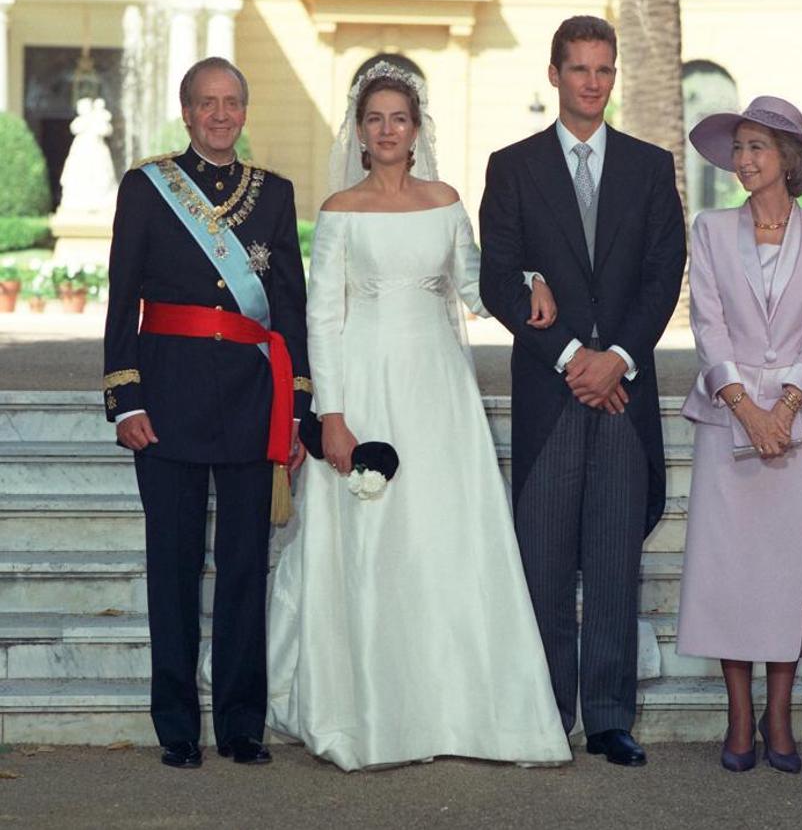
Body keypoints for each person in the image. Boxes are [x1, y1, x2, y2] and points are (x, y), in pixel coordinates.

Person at [266, 61, 572, 771]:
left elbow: (472, 286)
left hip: (438, 389)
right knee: (377, 537)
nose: (386, 130)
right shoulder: (340, 210)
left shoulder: (445, 201)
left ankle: (463, 708)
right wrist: (333, 416)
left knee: (445, 534)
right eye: (374, 119)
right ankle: (373, 712)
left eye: (398, 118)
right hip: (367, 383)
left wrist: (527, 279)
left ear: (416, 128)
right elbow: (323, 316)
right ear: (360, 131)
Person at [479, 16, 686, 767]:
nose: (592, 82)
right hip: (552, 390)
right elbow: (497, 277)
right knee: (541, 559)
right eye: (579, 69)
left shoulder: (648, 165)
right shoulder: (513, 167)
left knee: (611, 560)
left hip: (624, 395)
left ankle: (607, 717)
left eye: (604, 69)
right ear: (554, 73)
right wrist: (573, 356)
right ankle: (544, 711)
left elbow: (665, 275)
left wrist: (619, 357)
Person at [103, 56, 311, 769]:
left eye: (231, 102)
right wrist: (124, 397)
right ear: (187, 112)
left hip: (253, 399)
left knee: (247, 564)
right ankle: (178, 727)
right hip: (165, 398)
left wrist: (296, 410)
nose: (220, 115)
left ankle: (242, 724)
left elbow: (290, 310)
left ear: (243, 113)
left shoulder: (274, 195)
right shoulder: (146, 186)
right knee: (173, 563)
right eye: (206, 103)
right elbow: (121, 296)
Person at [678, 96, 802, 773]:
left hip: (800, 427)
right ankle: (739, 719)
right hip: (728, 420)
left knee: (788, 575)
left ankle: (779, 719)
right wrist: (748, 408)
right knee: (730, 573)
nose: (742, 160)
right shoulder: (711, 230)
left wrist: (786, 409)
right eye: (738, 148)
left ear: (789, 159)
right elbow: (707, 324)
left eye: (756, 148)